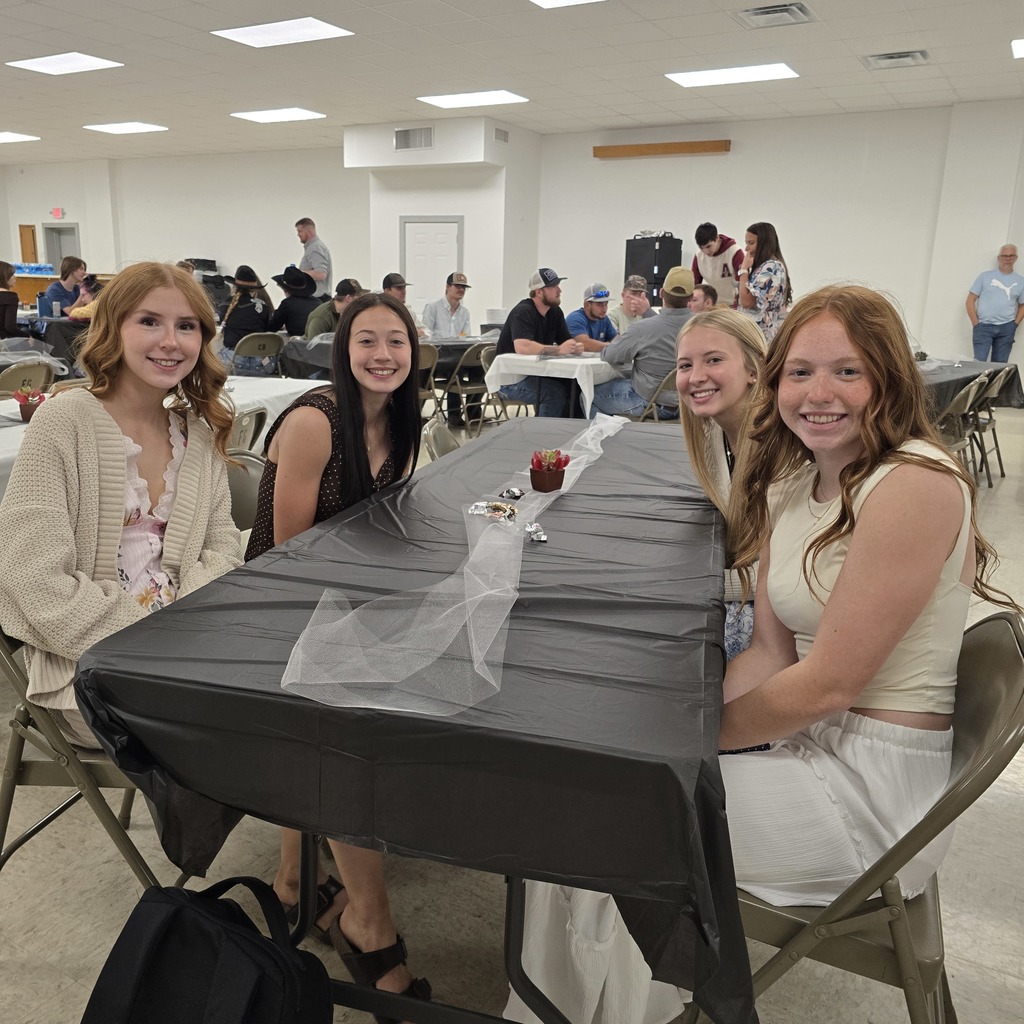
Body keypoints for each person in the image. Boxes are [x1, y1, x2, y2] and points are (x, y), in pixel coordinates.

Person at [508, 284, 1018, 1024]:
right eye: (800, 372)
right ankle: (580, 1007)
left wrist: (678, 743)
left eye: (847, 371)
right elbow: (773, 654)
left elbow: (827, 684)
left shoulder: (913, 484)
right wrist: (669, 729)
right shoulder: (799, 479)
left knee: (606, 819)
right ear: (775, 381)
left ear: (888, 378)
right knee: (589, 796)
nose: (818, 393)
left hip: (872, 795)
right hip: (813, 747)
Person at [244, 292, 430, 1014]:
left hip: (340, 599)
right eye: (368, 342)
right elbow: (287, 552)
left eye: (397, 343)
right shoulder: (315, 422)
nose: (383, 356)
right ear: (342, 351)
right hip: (271, 606)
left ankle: (295, 882)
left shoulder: (402, 421)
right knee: (348, 720)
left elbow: (387, 521)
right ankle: (365, 920)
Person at [0, 261, 241, 748]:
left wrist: (184, 631)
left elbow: (223, 550)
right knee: (248, 731)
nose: (170, 341)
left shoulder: (197, 431)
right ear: (113, 328)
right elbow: (35, 582)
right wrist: (152, 643)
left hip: (188, 649)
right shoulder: (64, 421)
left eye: (186, 326)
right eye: (149, 321)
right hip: (89, 669)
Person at [676, 307, 767, 660]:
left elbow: (791, 574)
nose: (696, 376)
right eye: (685, 365)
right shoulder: (715, 431)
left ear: (753, 369)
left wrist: (708, 586)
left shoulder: (780, 448)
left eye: (713, 360)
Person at [588, 267, 693, 419]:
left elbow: (609, 356)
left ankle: (599, 442)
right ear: (690, 298)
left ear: (662, 293)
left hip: (651, 403)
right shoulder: (703, 327)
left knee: (589, 395)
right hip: (689, 405)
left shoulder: (643, 328)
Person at [495, 268, 583, 418]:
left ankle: (569, 432)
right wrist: (559, 350)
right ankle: (543, 436)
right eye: (553, 287)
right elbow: (522, 346)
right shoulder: (523, 311)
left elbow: (566, 340)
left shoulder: (555, 312)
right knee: (553, 393)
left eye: (558, 286)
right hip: (510, 380)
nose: (559, 290)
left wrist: (574, 346)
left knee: (576, 385)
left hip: (535, 373)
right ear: (538, 292)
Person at [422, 271, 476, 427]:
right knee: (456, 371)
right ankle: (454, 414)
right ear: (447, 287)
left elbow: (466, 336)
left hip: (457, 356)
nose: (461, 290)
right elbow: (426, 335)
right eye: (457, 286)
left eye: (464, 287)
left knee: (479, 370)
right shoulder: (433, 308)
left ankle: (474, 413)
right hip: (438, 358)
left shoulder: (465, 312)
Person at [965, 244, 1024, 362]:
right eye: (1004, 256)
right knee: (978, 365)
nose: (1007, 259)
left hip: (1007, 328)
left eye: (1011, 256)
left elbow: (1022, 305)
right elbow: (970, 301)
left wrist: (1015, 324)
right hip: (983, 327)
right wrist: (976, 324)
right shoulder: (985, 276)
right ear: (998, 258)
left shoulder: (1021, 281)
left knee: (1000, 367)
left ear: (1016, 258)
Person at [737, 222, 791, 343]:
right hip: (754, 333)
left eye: (751, 243)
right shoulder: (763, 267)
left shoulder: (771, 267)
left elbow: (747, 302)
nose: (746, 249)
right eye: (746, 243)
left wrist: (744, 270)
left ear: (764, 244)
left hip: (761, 335)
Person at [218, 265, 276, 376]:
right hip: (261, 363)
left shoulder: (225, 305)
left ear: (235, 286)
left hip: (234, 360)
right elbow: (265, 329)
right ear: (254, 289)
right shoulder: (263, 307)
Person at [691, 223, 744, 307]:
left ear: (717, 238)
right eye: (701, 248)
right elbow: (694, 285)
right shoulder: (698, 256)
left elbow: (742, 283)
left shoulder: (735, 252)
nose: (706, 252)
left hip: (732, 305)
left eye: (708, 246)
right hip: (711, 305)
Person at [269, 266, 321, 336]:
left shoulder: (287, 304)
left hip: (298, 344)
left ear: (286, 290)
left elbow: (272, 327)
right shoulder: (318, 302)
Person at [565, 283, 618, 350]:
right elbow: (585, 344)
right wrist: (611, 346)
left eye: (606, 304)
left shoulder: (604, 319)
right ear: (587, 305)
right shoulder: (575, 319)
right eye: (599, 305)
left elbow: (617, 341)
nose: (604, 309)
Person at [295, 217, 332, 301]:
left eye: (300, 231)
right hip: (316, 298)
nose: (298, 234)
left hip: (318, 299)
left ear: (309, 231)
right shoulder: (313, 248)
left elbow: (321, 274)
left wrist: (299, 273)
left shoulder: (316, 248)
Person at [0, 260, 34, 340]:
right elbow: (10, 327)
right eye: (12, 275)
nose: (15, 277)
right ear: (5, 277)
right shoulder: (10, 297)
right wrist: (28, 337)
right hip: (3, 342)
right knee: (33, 335)